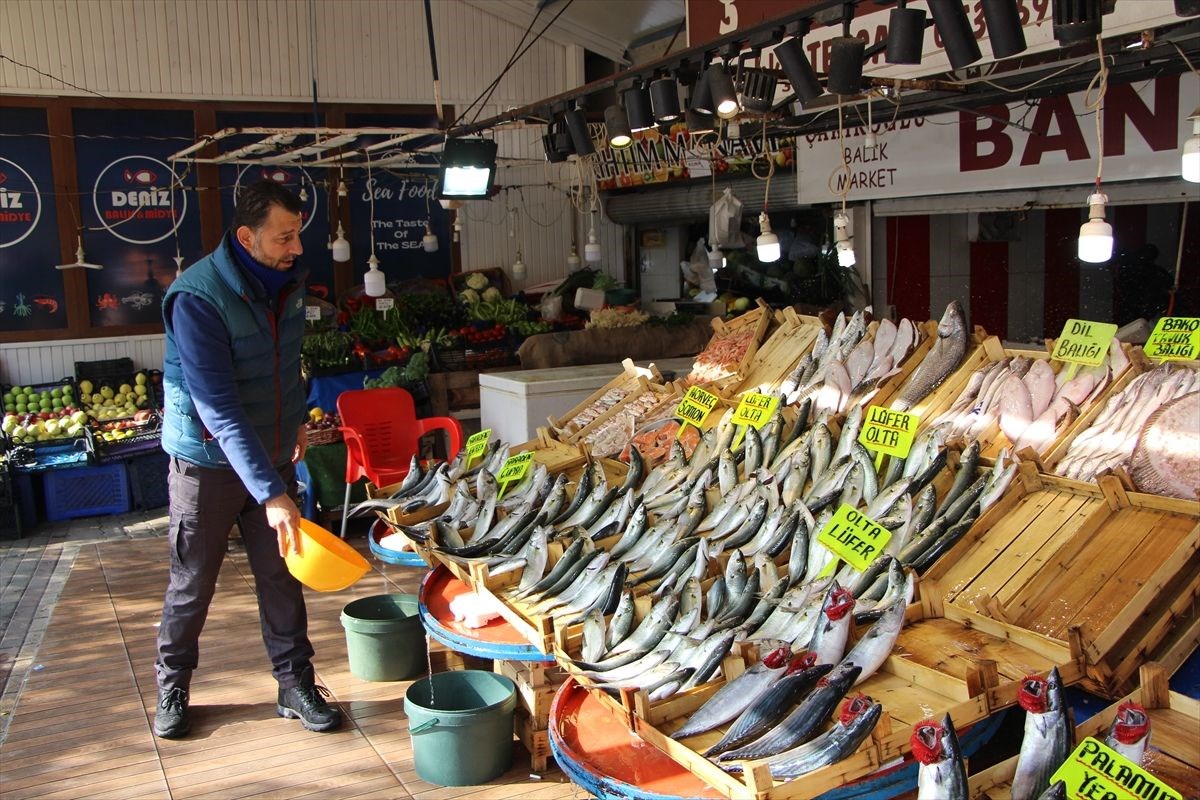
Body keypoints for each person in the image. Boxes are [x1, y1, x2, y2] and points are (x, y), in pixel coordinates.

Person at [153, 180, 341, 739]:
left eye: (297, 235)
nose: (296, 248)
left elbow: (284, 367)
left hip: (272, 454)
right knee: (193, 582)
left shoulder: (287, 284)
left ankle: (295, 683)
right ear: (245, 236)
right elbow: (219, 407)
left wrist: (294, 427)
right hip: (206, 465)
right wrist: (273, 494)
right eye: (284, 237)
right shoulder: (197, 298)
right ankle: (173, 684)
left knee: (282, 576)